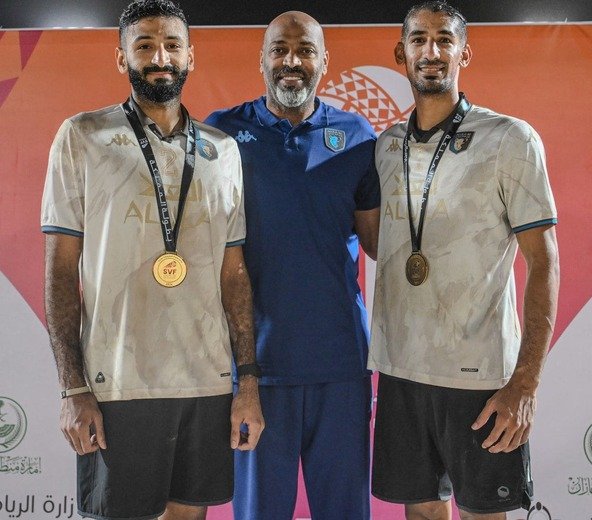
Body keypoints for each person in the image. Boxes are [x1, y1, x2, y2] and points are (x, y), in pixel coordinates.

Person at [41, 1, 264, 519]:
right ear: (122, 58)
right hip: (117, 383)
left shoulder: (222, 150)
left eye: (171, 45)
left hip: (206, 381)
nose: (159, 57)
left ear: (190, 56)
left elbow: (234, 275)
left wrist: (247, 381)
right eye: (144, 46)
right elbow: (59, 272)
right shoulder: (83, 136)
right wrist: (72, 387)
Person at [369, 1, 559, 519]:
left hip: (480, 377)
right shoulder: (386, 146)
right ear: (401, 54)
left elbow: (544, 262)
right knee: (421, 511)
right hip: (402, 370)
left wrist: (525, 383)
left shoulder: (510, 139)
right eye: (419, 40)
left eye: (444, 40)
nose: (431, 51)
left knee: (483, 513)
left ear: (464, 54)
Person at [205, 11, 380, 520]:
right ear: (261, 60)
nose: (291, 61)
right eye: (279, 49)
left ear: (324, 61)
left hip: (340, 364)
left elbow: (379, 244)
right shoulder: (221, 132)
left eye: (305, 50)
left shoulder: (357, 134)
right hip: (255, 370)